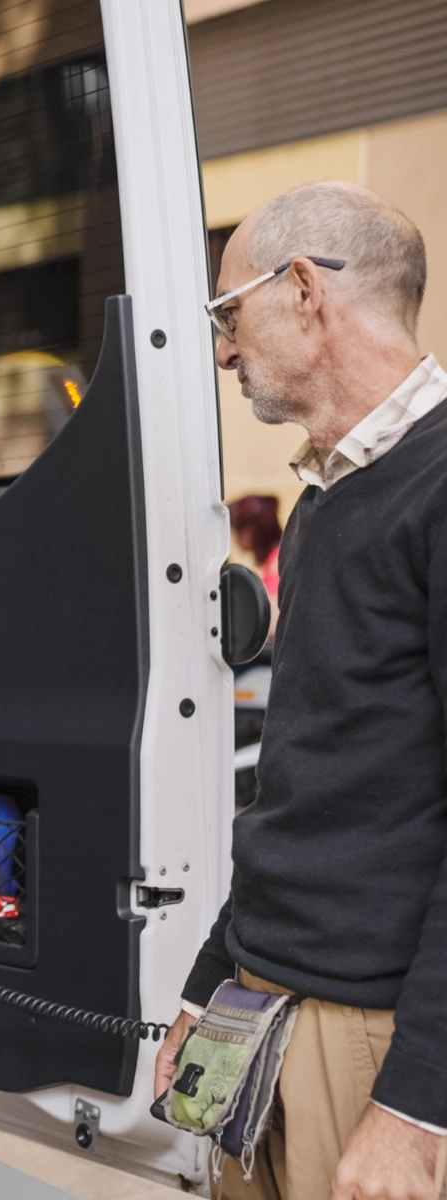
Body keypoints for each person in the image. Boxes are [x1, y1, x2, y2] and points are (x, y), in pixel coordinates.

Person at [155, 182, 447, 1200]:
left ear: (307, 292)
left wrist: (417, 1107)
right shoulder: (327, 503)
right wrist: (206, 990)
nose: (224, 351)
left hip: (372, 1042)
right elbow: (302, 790)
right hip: (263, 1009)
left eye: (226, 315)